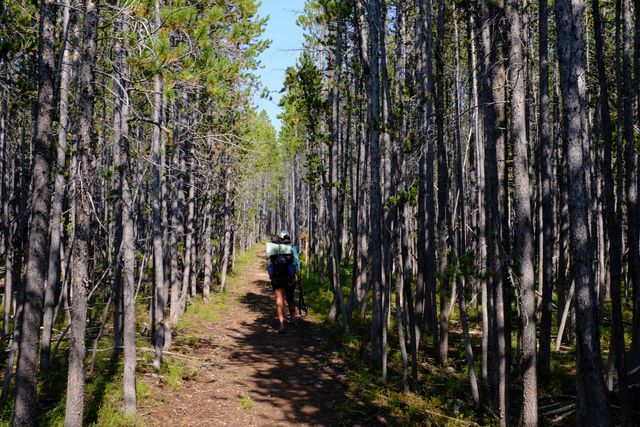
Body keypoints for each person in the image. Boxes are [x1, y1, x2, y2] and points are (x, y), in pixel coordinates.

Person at [266, 230, 301, 332]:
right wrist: (299, 276)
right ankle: (293, 319)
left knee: (279, 300)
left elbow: (270, 262)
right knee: (290, 298)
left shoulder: (274, 248)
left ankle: (281, 324)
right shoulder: (291, 247)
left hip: (277, 278)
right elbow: (296, 263)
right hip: (289, 278)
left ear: (279, 238)